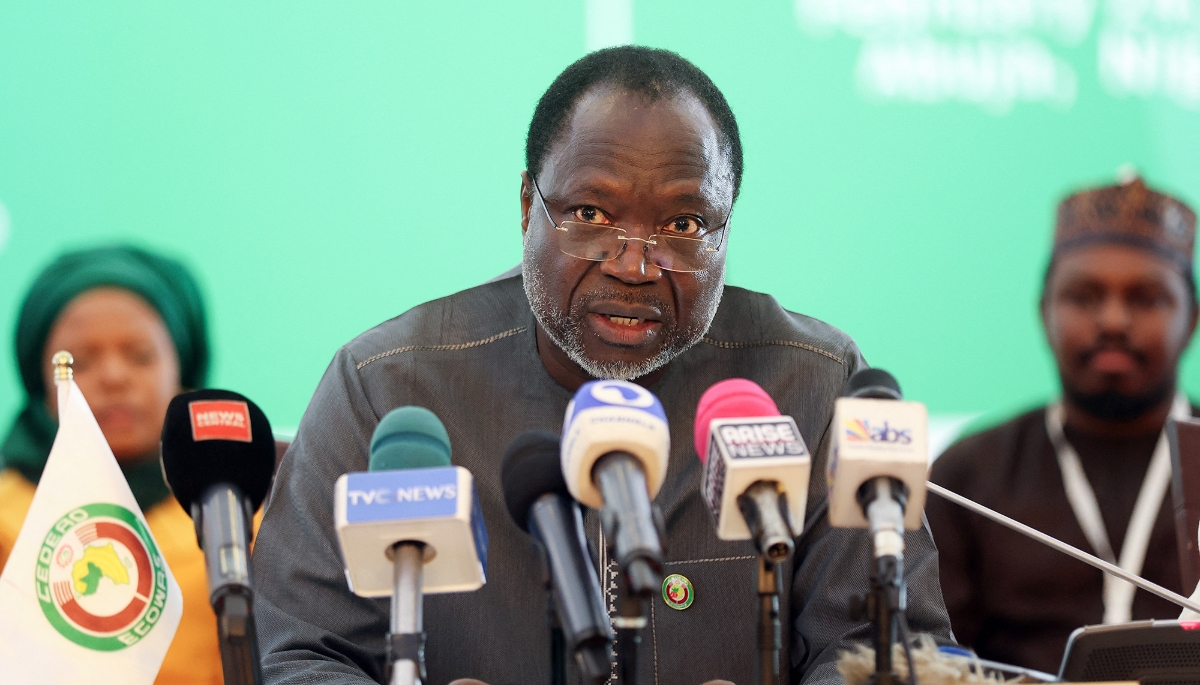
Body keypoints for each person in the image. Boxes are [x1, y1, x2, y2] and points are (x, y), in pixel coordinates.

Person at [252, 46, 952, 684]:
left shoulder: (813, 384)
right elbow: (297, 652)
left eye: (683, 225)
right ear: (528, 206)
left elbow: (888, 652)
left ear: (727, 226)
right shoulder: (385, 386)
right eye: (590, 212)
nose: (635, 263)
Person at [927, 176, 1198, 673]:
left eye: (1145, 298)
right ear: (1044, 311)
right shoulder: (968, 476)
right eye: (1084, 296)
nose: (1114, 320)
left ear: (1192, 317)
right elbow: (936, 661)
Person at [0, 245, 223, 684]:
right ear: (39, 383)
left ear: (182, 370)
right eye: (78, 361)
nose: (114, 377)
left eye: (140, 355)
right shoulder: (6, 513)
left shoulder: (237, 507)